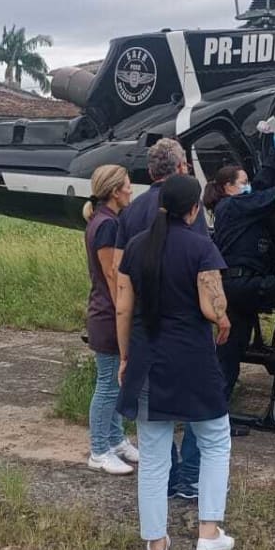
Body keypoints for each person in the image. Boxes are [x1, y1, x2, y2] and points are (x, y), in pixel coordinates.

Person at [115, 174, 236, 550]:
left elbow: (123, 307)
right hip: (194, 362)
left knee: (153, 457)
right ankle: (208, 531)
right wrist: (224, 318)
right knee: (215, 439)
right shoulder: (201, 247)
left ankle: (156, 543)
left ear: (161, 204)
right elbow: (210, 306)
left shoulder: (135, 247)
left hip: (149, 361)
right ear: (195, 209)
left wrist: (124, 357)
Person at [114, 137, 206, 498]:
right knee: (200, 406)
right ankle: (191, 477)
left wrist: (124, 349)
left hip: (142, 324)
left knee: (153, 413)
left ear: (151, 171)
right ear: (181, 167)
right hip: (184, 322)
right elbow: (202, 268)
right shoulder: (188, 207)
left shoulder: (132, 211)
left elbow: (120, 279)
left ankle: (166, 479)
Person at [203, 157, 275, 399]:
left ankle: (217, 416)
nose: (248, 186)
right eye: (243, 182)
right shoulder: (233, 206)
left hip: (235, 289)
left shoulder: (238, 206)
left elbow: (260, 189)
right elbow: (269, 196)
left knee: (230, 354)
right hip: (243, 286)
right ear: (228, 187)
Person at [83, 164, 138, 475]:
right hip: (108, 315)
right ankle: (99, 449)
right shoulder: (107, 226)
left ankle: (116, 439)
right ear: (116, 191)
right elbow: (111, 274)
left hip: (106, 311)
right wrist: (125, 314)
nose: (132, 190)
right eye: (128, 185)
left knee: (118, 382)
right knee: (107, 383)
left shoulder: (105, 219)